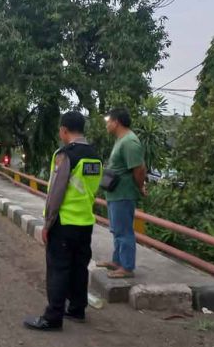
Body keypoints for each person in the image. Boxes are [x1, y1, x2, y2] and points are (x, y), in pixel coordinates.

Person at [24, 111, 102, 331]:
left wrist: (48, 224)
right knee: (79, 267)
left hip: (64, 222)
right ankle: (77, 309)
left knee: (58, 269)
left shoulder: (65, 155)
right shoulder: (95, 155)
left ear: (64, 130)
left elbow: (56, 192)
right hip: (86, 221)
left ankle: (53, 317)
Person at [97, 108, 147, 279]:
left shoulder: (130, 142)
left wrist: (140, 187)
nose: (107, 125)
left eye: (108, 121)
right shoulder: (121, 140)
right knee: (117, 230)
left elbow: (139, 168)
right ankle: (117, 261)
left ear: (116, 122)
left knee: (124, 231)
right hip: (115, 193)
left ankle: (127, 267)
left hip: (123, 194)